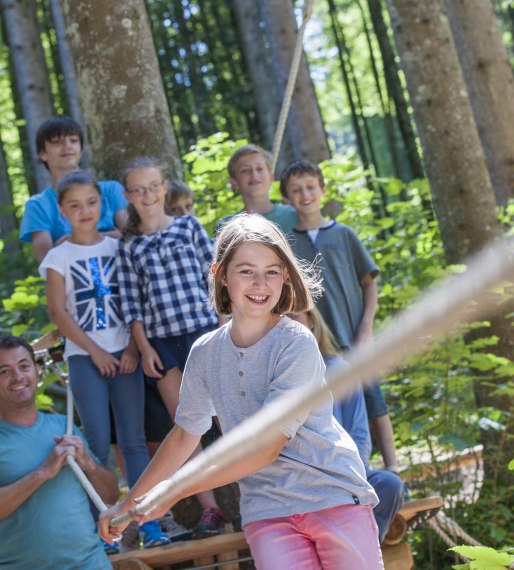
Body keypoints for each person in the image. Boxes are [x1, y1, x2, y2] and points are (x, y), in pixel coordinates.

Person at [100, 214, 384, 570]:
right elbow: (184, 435)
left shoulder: (296, 343)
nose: (260, 283)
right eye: (246, 270)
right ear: (221, 274)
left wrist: (174, 490)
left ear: (285, 276)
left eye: (272, 271)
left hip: (332, 497)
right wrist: (128, 505)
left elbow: (265, 448)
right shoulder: (204, 352)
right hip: (266, 511)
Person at [39, 171, 170, 552]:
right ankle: (106, 526)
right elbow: (58, 312)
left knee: (132, 441)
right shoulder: (57, 256)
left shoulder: (119, 246)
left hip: (126, 355)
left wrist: (132, 347)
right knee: (96, 444)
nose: (85, 211)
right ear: (62, 211)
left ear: (103, 204)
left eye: (91, 202)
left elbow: (136, 299)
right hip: (85, 359)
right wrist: (94, 351)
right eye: (75, 205)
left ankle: (149, 523)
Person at [116, 156, 225, 538]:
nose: (146, 195)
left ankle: (255, 488)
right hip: (163, 343)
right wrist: (144, 348)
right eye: (138, 189)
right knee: (186, 424)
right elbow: (131, 302)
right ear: (128, 196)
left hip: (204, 329)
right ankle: (210, 508)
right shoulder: (129, 245)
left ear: (164, 188)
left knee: (227, 413)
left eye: (153, 186)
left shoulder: (189, 226)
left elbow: (215, 274)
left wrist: (224, 323)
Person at [280, 159, 401, 474]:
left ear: (323, 190)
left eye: (310, 187)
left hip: (352, 338)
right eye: (296, 190)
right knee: (333, 410)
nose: (304, 195)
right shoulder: (288, 244)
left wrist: (366, 329)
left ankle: (393, 468)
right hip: (319, 345)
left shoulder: (344, 234)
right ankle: (346, 472)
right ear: (286, 199)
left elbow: (369, 284)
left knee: (373, 401)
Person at [0, 334, 119, 569]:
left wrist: (88, 464)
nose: (17, 377)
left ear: (37, 371)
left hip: (90, 563)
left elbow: (111, 496)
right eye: (4, 371)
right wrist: (43, 472)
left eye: (24, 366)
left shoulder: (63, 426)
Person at [289, 307, 404, 543]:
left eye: (295, 315)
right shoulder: (280, 375)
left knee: (390, 484)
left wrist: (353, 477)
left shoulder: (339, 370)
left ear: (312, 319)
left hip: (347, 475)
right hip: (304, 484)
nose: (288, 322)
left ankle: (368, 548)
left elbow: (359, 432)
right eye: (281, 318)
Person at [19, 116, 127, 264]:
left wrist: (69, 241)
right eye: (57, 142)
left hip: (124, 278)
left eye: (74, 140)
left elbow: (132, 239)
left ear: (81, 150)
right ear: (43, 153)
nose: (68, 146)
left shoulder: (111, 190)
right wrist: (110, 235)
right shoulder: (38, 205)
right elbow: (46, 262)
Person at [216, 144, 297, 234]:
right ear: (234, 182)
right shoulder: (227, 226)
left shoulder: (293, 215)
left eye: (259, 168)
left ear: (271, 177)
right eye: (245, 170)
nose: (254, 174)